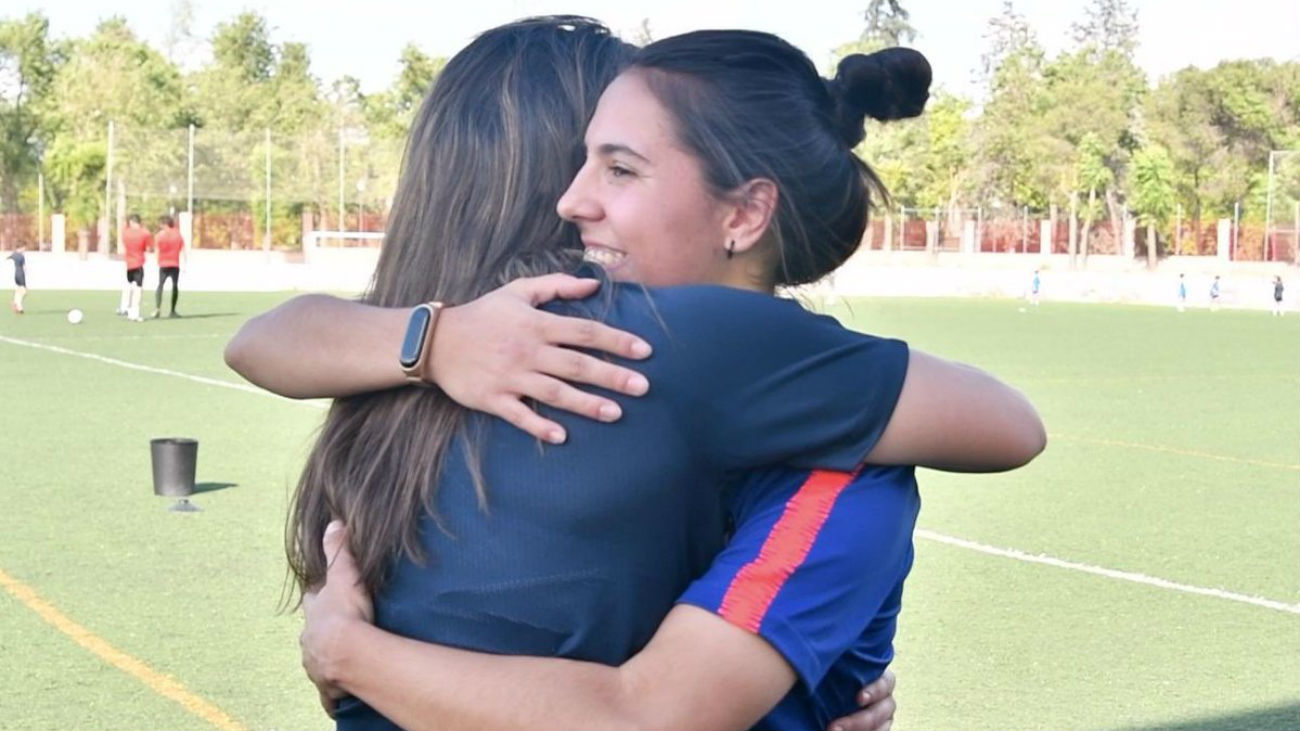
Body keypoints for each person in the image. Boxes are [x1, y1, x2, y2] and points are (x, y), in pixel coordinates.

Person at [226, 19, 1043, 731]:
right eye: (587, 160)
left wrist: (432, 342)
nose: (575, 202)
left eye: (619, 167)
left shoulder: (432, 364)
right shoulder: (609, 338)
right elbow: (1009, 424)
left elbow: (261, 341)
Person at [118, 213, 152, 321]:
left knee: (128, 284)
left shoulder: (125, 233)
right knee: (138, 288)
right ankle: (134, 312)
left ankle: (124, 307)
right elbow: (149, 248)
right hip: (138, 263)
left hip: (128, 262)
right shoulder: (145, 233)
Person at [153, 215, 184, 318]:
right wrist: (184, 263)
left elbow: (157, 249)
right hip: (175, 263)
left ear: (164, 224)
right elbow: (182, 249)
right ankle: (173, 310)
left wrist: (157, 261)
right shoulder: (178, 234)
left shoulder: (160, 235)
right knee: (175, 286)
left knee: (160, 285)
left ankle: (157, 309)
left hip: (163, 263)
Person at [7, 244, 26, 314]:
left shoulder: (14, 254)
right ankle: (18, 305)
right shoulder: (21, 256)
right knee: (24, 291)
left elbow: (7, 258)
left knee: (18, 289)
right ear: (21, 248)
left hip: (16, 275)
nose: (24, 250)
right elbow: (24, 267)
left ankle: (15, 302)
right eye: (24, 248)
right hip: (21, 274)